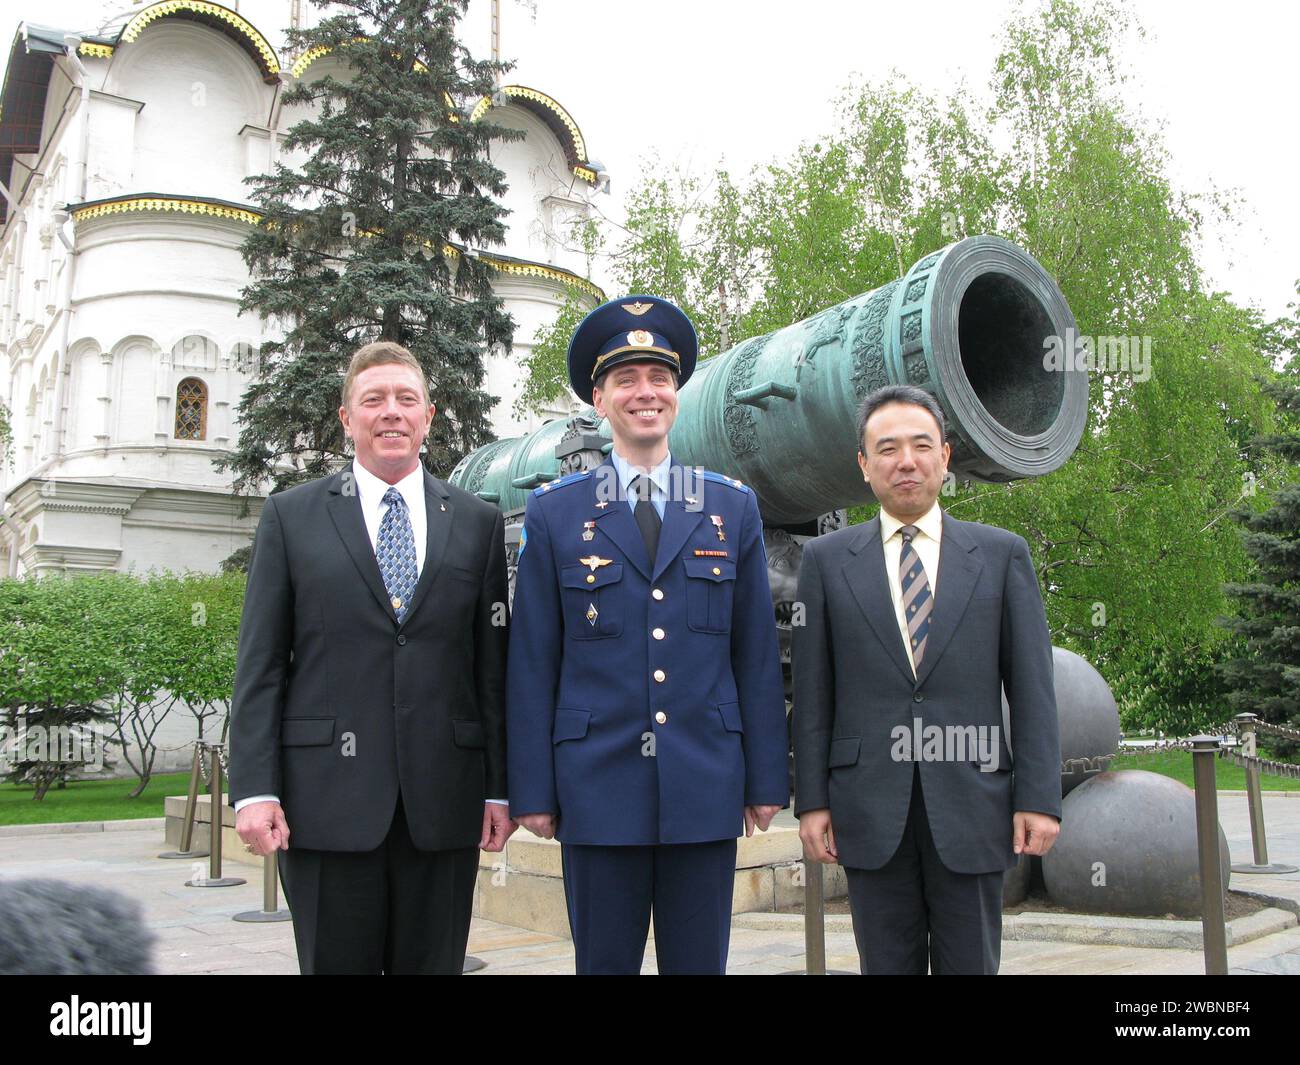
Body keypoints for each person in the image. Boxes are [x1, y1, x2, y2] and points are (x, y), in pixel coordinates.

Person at [507, 295, 788, 975]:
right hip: (597, 788)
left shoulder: (730, 506)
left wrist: (765, 780)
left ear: (677, 395)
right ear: (600, 399)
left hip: (705, 783)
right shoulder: (555, 513)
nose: (646, 392)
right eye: (626, 379)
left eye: (659, 378)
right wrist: (534, 791)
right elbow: (533, 663)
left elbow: (754, 656)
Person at [229, 341, 513, 974]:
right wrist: (252, 789)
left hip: (442, 805)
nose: (392, 413)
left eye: (406, 400)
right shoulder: (291, 517)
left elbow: (490, 671)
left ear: (429, 416)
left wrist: (499, 787)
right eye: (374, 400)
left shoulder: (476, 522)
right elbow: (262, 662)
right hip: (325, 804)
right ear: (346, 418)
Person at [792, 383, 1061, 975]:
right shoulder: (828, 562)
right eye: (887, 449)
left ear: (945, 455)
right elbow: (813, 695)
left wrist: (1039, 798)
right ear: (864, 466)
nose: (905, 461)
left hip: (973, 803)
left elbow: (1033, 686)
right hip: (868, 807)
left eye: (921, 445)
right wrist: (811, 801)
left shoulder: (1000, 555)